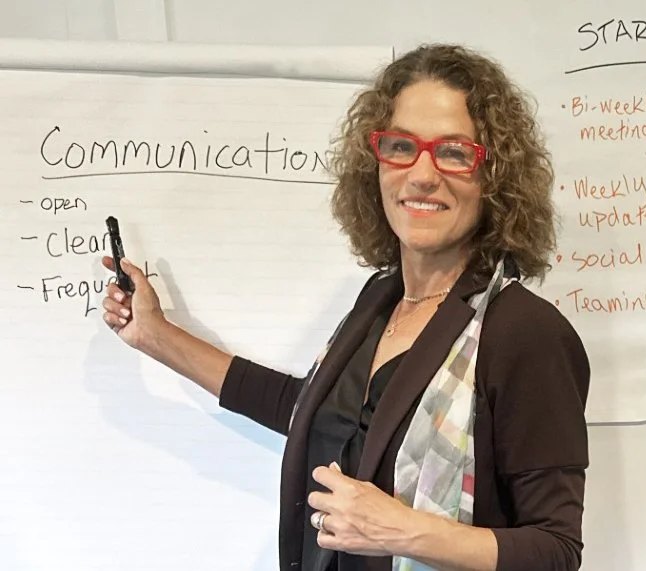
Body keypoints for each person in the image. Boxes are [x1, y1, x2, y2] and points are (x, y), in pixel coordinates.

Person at [101, 43, 590, 571]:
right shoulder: (378, 301)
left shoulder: (525, 333)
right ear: (374, 163)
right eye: (401, 146)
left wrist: (406, 531)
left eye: (453, 152)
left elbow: (556, 551)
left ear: (493, 178)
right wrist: (156, 336)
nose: (422, 175)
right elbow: (314, 412)